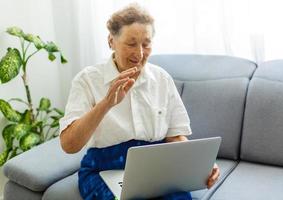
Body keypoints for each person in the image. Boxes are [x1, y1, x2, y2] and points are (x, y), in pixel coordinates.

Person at [59, 4, 220, 200]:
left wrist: (199, 165)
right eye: (131, 43)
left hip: (158, 167)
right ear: (111, 41)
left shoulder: (162, 79)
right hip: (104, 168)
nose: (140, 53)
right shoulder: (87, 80)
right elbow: (69, 145)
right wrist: (107, 103)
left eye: (146, 43)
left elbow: (175, 137)